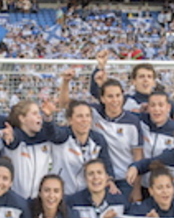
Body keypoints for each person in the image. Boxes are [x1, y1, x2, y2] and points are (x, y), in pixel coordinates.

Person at [60, 71, 143, 200]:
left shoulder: (133, 122)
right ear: (102, 99)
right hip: (99, 179)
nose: (115, 100)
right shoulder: (94, 113)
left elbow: (138, 156)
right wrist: (65, 82)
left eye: (118, 96)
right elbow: (65, 104)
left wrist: (137, 189)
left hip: (124, 179)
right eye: (110, 96)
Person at [45, 99, 114, 196]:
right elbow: (52, 132)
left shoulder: (98, 139)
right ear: (70, 120)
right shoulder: (64, 135)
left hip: (87, 195)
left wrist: (110, 180)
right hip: (64, 194)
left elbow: (106, 163)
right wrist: (48, 117)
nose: (84, 120)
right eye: (79, 116)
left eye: (87, 116)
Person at [1, 99, 52, 199]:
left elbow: (55, 132)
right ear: (22, 118)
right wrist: (10, 136)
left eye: (39, 113)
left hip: (39, 199)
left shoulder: (45, 139)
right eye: (34, 113)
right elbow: (13, 141)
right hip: (16, 198)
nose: (39, 116)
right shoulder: (16, 138)